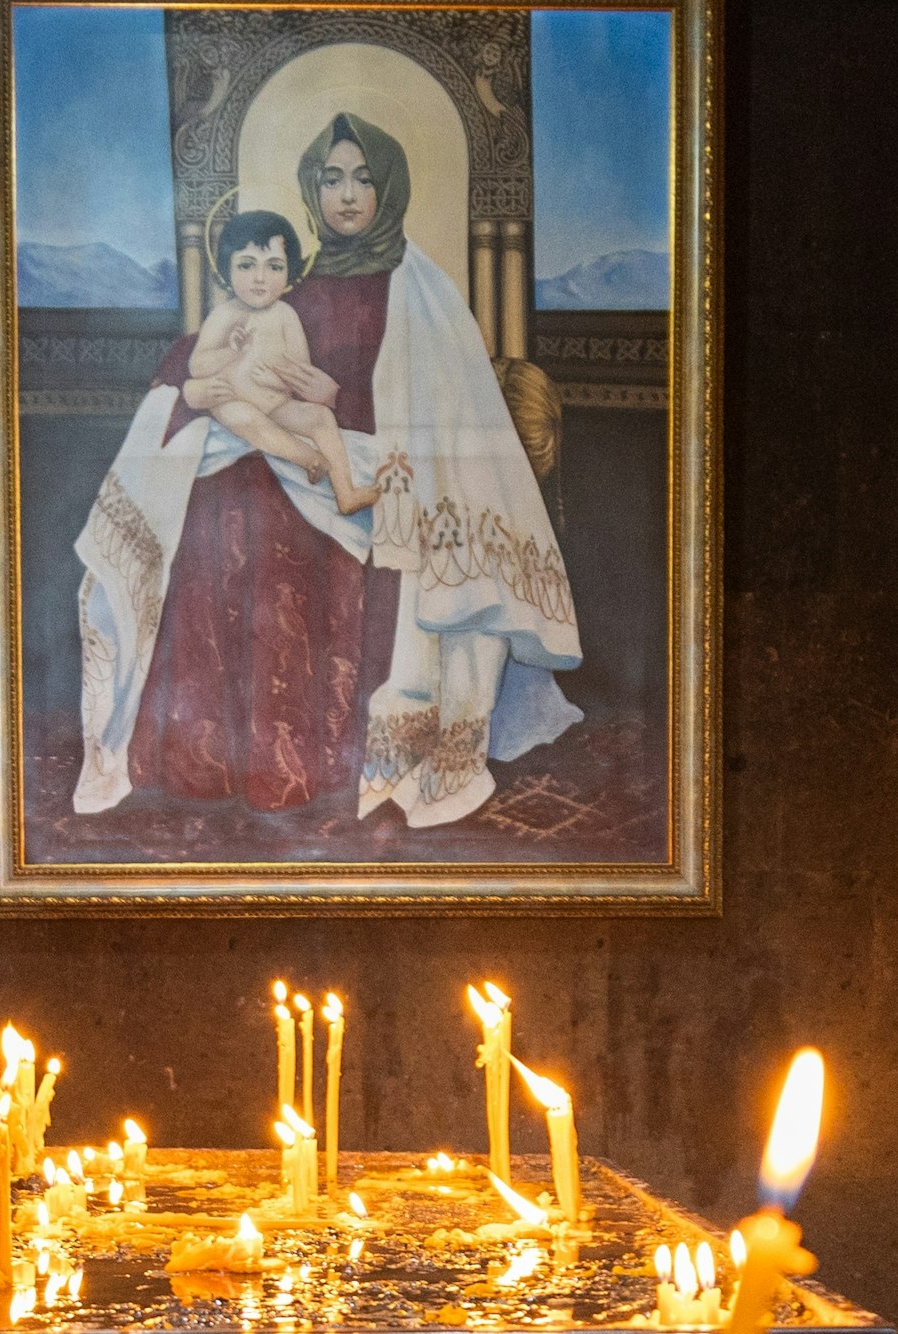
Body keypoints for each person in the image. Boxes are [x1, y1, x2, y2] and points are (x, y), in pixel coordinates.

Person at [71, 111, 583, 829]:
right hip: (284, 464)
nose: (346, 195)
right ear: (312, 190)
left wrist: (332, 403)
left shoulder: (417, 291)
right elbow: (234, 353)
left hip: (367, 464)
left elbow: (422, 404)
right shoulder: (294, 282)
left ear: (389, 188)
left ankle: (333, 756)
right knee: (223, 507)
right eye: (331, 178)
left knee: (297, 510)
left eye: (363, 179)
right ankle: (219, 757)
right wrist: (197, 381)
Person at [186, 212, 378, 515]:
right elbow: (198, 366)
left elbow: (300, 370)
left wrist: (277, 381)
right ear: (226, 269)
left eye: (274, 266)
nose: (259, 278)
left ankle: (347, 493)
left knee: (320, 418)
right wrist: (231, 352)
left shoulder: (286, 316)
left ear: (290, 273)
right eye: (247, 265)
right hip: (232, 401)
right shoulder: (223, 316)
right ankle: (309, 458)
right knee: (244, 417)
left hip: (278, 404)